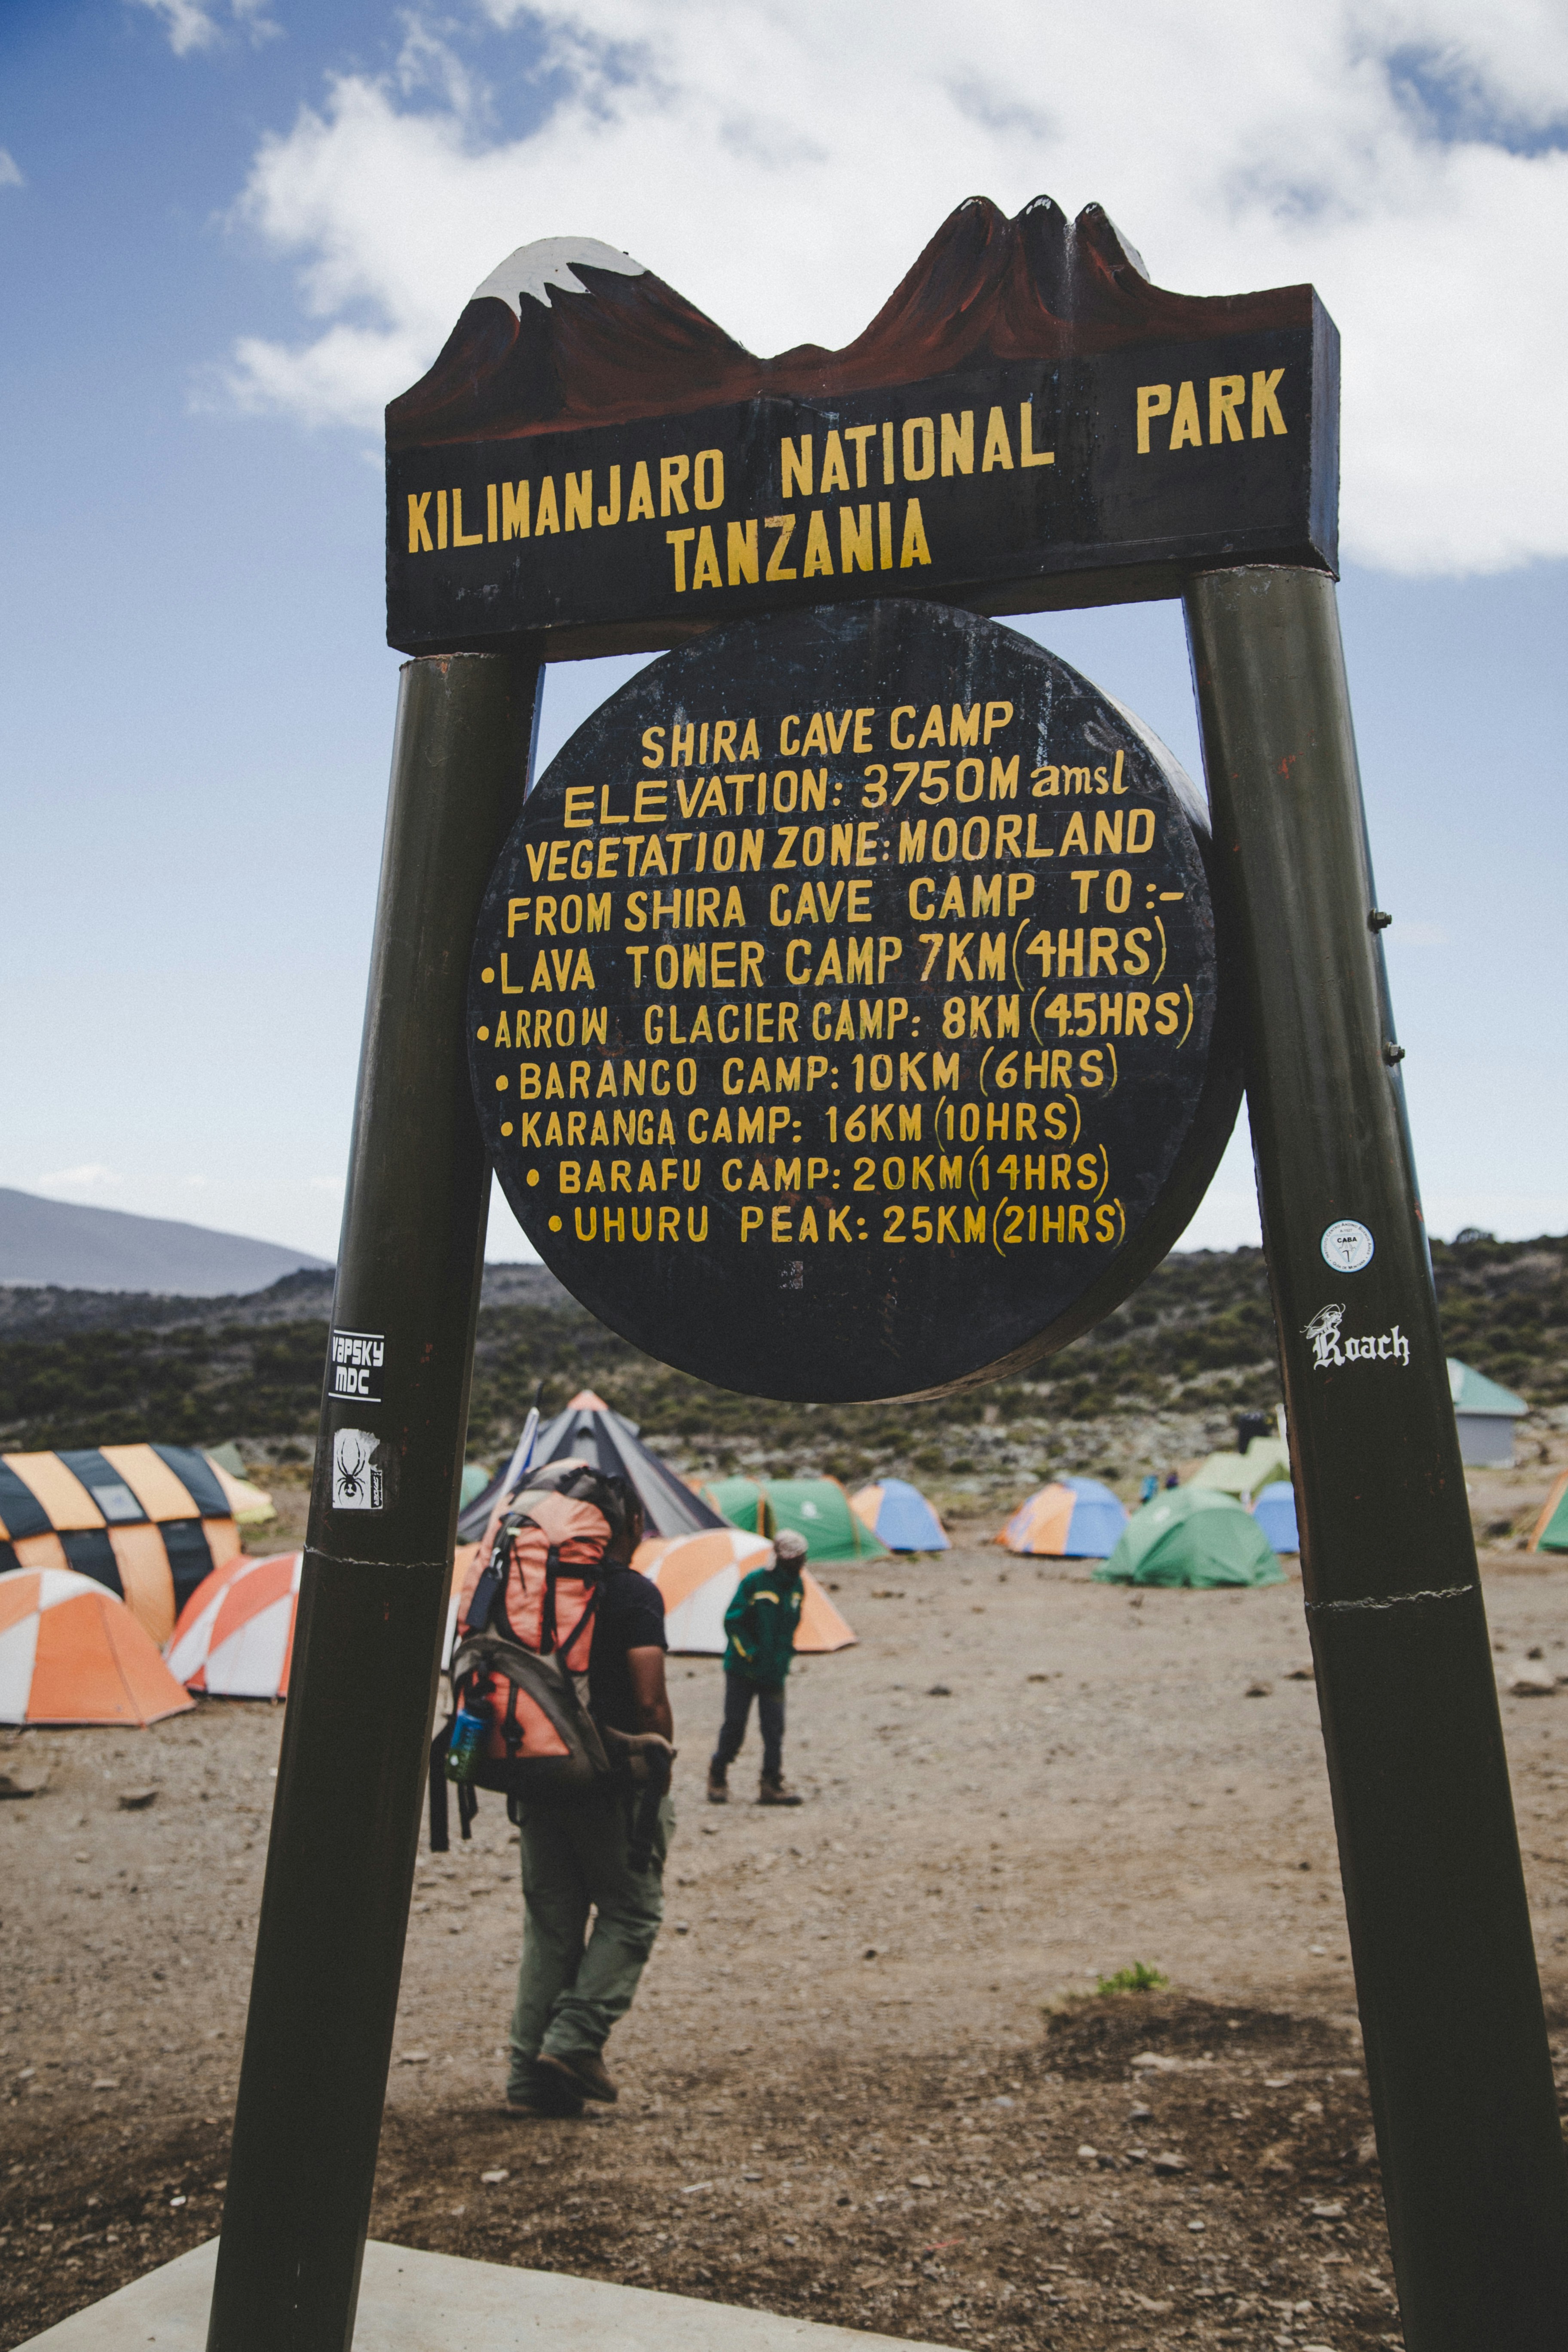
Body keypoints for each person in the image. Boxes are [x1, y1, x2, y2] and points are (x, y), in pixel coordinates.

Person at [506, 1473, 675, 2120]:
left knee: (551, 1927)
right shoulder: (631, 1593)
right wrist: (656, 1766)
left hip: (536, 1773)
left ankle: (528, 2077)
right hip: (611, 1781)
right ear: (625, 1524)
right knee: (632, 1913)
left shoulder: (529, 1586)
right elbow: (649, 1698)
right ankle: (575, 2041)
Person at [707, 1529, 808, 1807]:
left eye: (802, 1558)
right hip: (743, 1670)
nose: (802, 1563)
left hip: (774, 1672)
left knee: (774, 1728)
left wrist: (785, 1653)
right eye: (797, 1559)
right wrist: (749, 1653)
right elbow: (733, 1621)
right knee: (735, 1726)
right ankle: (718, 1773)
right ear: (784, 1558)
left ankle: (771, 1783)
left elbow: (792, 1623)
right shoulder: (756, 1582)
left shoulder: (797, 1587)